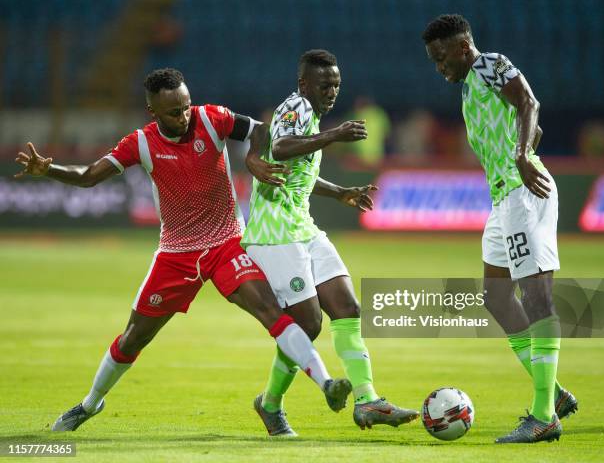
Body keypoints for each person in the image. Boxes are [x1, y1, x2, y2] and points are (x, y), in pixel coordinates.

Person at [14, 68, 352, 432]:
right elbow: (89, 176)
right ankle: (89, 404)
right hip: (177, 253)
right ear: (153, 112)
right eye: (175, 112)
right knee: (134, 337)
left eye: (187, 106)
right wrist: (50, 171)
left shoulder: (212, 118)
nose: (185, 115)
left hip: (226, 244)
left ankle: (326, 384)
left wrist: (253, 158)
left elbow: (259, 129)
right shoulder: (140, 144)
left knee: (271, 310)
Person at [241, 50, 419, 437]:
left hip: (302, 226)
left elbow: (297, 174)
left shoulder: (312, 114)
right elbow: (282, 147)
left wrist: (340, 192)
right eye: (325, 85)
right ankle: (270, 404)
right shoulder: (297, 108)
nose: (333, 91)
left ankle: (368, 399)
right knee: (307, 322)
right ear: (304, 84)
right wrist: (335, 135)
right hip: (274, 233)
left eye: (337, 84)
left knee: (347, 306)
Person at [422, 15, 578, 443]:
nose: (439, 68)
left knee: (536, 297)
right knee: (495, 297)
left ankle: (544, 415)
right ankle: (555, 392)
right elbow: (528, 124)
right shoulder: (472, 88)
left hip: (523, 196)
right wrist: (522, 145)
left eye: (441, 58)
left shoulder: (489, 64)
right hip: (503, 199)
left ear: (461, 46)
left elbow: (530, 105)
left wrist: (523, 155)